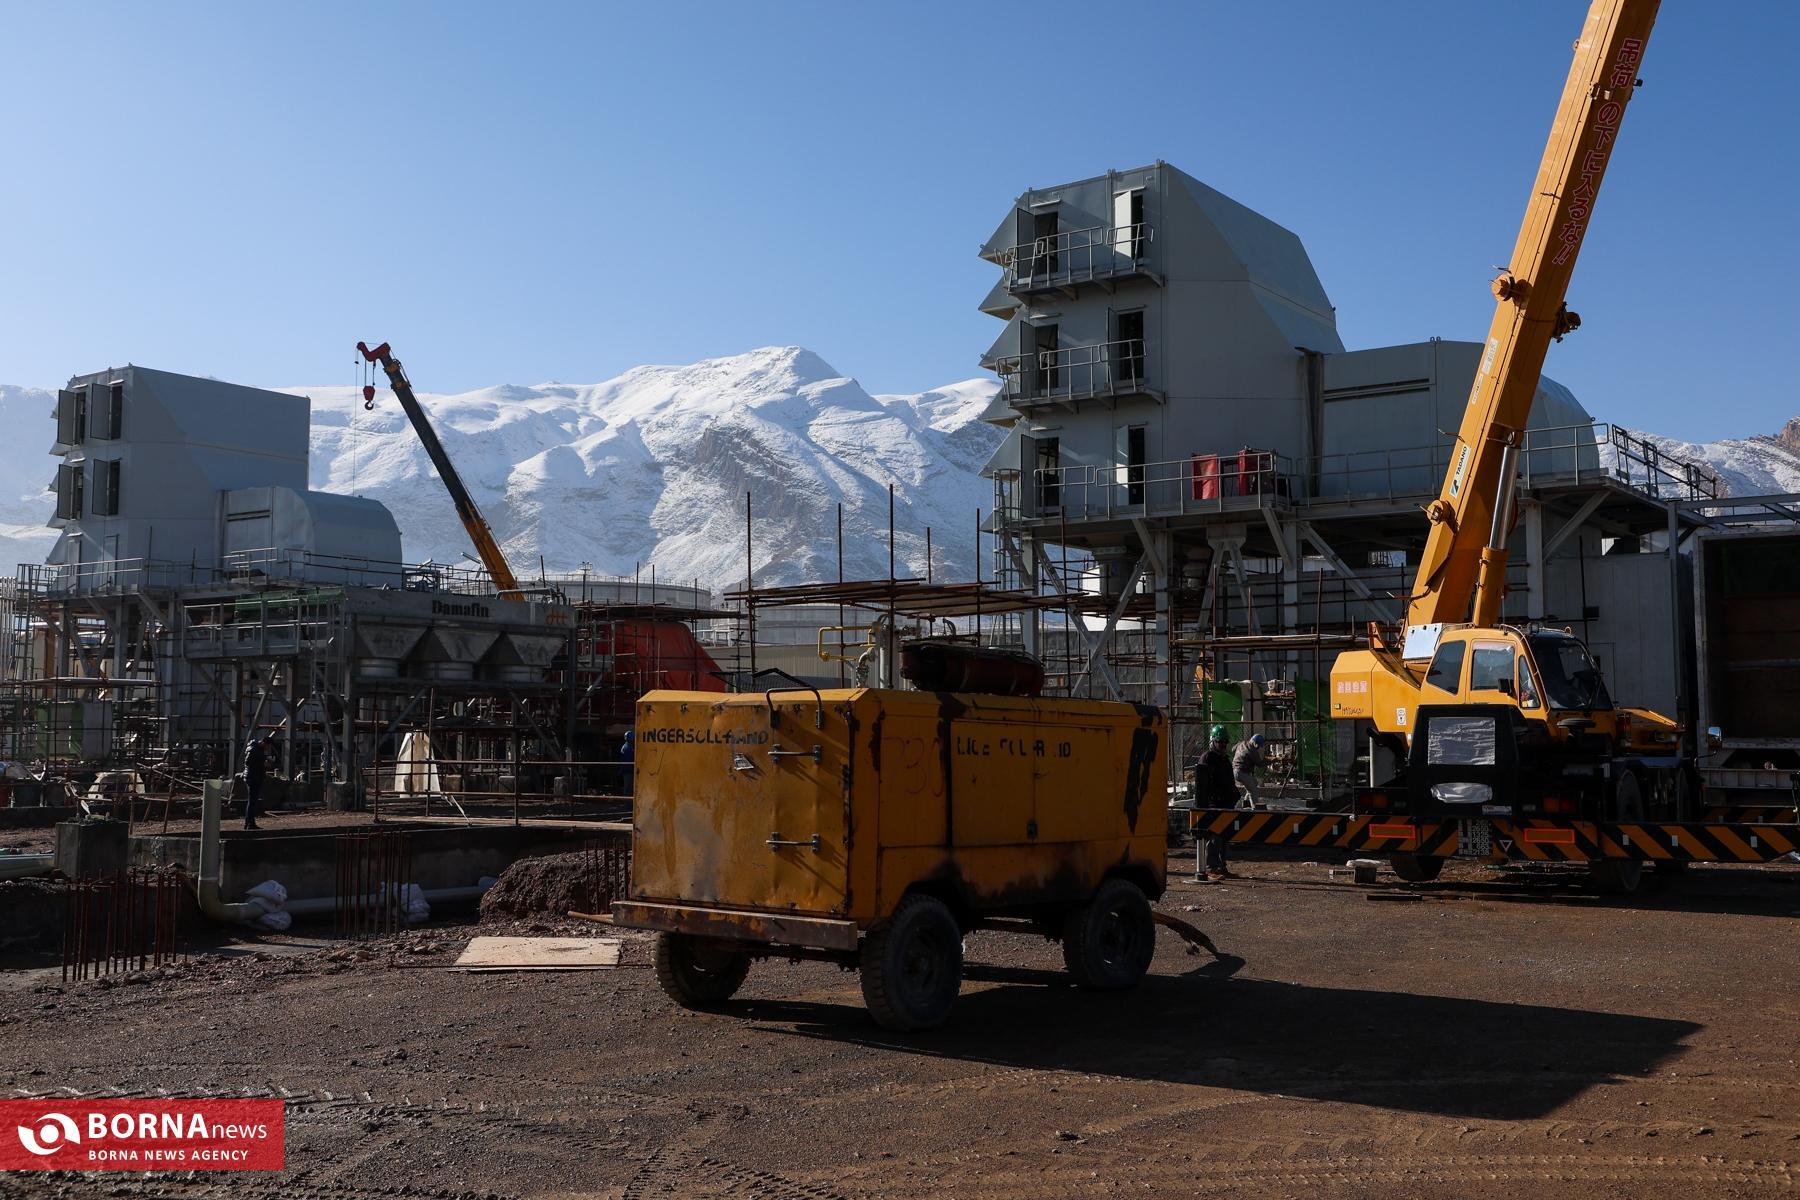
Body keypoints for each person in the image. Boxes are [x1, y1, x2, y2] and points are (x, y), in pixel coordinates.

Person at [1195, 725, 1237, 879]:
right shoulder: (1208, 758)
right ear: (1213, 741)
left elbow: (1229, 780)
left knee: (1224, 837)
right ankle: (1211, 867)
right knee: (1214, 837)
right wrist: (1213, 798)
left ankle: (1221, 866)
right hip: (1214, 805)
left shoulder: (1224, 759)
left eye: (1225, 743)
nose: (1223, 745)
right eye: (1220, 742)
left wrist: (1233, 794)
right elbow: (1204, 784)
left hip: (1226, 803)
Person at [1232, 733, 1266, 809]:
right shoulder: (1252, 750)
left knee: (1254, 783)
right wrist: (1271, 761)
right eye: (1257, 745)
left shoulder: (1242, 743)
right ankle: (1255, 808)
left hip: (1235, 770)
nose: (1258, 747)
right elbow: (1259, 764)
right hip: (1242, 772)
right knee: (1253, 790)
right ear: (1253, 742)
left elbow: (1232, 749)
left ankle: (1246, 803)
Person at [243, 735, 269, 831]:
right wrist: (262, 763)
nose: (267, 748)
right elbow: (249, 762)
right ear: (264, 743)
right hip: (253, 777)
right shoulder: (255, 750)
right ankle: (250, 823)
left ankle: (249, 823)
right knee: (252, 801)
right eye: (267, 746)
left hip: (253, 776)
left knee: (252, 801)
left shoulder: (254, 749)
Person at [618, 729, 635, 796]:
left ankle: (628, 804)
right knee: (628, 789)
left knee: (628, 788)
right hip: (628, 771)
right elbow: (630, 759)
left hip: (627, 770)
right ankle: (628, 805)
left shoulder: (627, 746)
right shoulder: (627, 747)